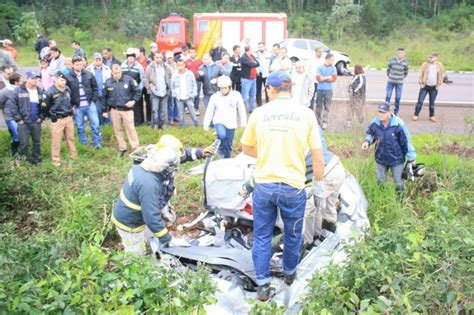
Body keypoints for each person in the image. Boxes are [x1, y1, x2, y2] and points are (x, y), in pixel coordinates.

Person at [240, 71, 325, 301]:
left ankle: (263, 285)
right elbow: (318, 157)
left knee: (262, 236)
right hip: (293, 187)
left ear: (270, 89)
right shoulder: (306, 115)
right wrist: (319, 186)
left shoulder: (259, 113)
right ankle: (288, 274)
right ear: (291, 89)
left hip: (265, 186)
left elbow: (246, 148)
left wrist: (267, 153)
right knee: (292, 234)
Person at [112, 134, 215, 255]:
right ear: (168, 167)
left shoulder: (157, 161)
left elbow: (181, 155)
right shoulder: (149, 183)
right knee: (135, 254)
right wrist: (169, 239)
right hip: (129, 222)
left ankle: (151, 254)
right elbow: (151, 216)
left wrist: (199, 153)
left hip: (141, 214)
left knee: (152, 238)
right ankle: (134, 269)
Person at [362, 101, 416, 197]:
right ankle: (382, 199)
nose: (381, 114)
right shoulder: (375, 123)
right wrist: (367, 141)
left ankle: (400, 202)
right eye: (379, 112)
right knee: (380, 181)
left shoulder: (398, 124)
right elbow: (371, 134)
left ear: (390, 112)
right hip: (381, 158)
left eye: (384, 112)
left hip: (397, 160)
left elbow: (406, 141)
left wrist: (412, 158)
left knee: (399, 183)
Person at [303, 129, 346, 245]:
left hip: (327, 172)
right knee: (326, 207)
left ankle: (307, 242)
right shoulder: (312, 133)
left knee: (308, 207)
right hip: (337, 167)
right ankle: (323, 237)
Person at [203, 75, 246, 159]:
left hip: (231, 123)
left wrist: (243, 121)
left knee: (229, 143)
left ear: (229, 86)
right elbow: (209, 111)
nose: (224, 90)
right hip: (219, 121)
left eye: (225, 88)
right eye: (221, 88)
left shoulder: (236, 95)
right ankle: (220, 151)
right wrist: (206, 123)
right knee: (222, 135)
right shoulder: (215, 97)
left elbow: (241, 109)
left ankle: (227, 157)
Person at [40, 72, 78, 167]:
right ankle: (56, 161)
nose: (63, 82)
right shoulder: (49, 92)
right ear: (55, 79)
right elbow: (44, 107)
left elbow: (70, 101)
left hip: (68, 118)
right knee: (56, 141)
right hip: (57, 119)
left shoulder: (67, 89)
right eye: (61, 80)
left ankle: (73, 156)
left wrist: (71, 109)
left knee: (70, 138)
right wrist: (50, 115)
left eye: (64, 80)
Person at [103, 64, 142, 157]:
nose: (117, 74)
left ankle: (136, 148)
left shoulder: (129, 80)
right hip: (114, 110)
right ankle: (122, 148)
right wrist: (105, 110)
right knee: (117, 129)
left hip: (127, 110)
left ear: (121, 72)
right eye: (115, 73)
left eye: (119, 72)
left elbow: (137, 91)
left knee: (130, 129)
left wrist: (133, 101)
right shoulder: (108, 82)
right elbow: (104, 97)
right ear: (112, 73)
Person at [66, 56, 101, 148]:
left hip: (89, 104)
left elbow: (95, 88)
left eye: (81, 64)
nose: (79, 66)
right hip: (77, 106)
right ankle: (84, 144)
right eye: (77, 65)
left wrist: (93, 100)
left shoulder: (89, 74)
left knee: (95, 124)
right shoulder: (68, 77)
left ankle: (97, 143)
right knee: (80, 126)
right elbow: (66, 93)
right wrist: (71, 105)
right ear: (73, 65)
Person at [10, 71, 43, 164]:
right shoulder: (18, 90)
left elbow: (44, 106)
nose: (35, 80)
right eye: (32, 78)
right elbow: (13, 106)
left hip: (36, 121)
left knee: (37, 142)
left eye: (36, 78)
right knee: (24, 143)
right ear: (27, 79)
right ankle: (25, 160)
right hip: (23, 122)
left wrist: (41, 117)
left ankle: (37, 159)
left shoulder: (39, 90)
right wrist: (18, 119)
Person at [413, 52, 444, 123]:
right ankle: (416, 114)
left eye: (432, 57)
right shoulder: (425, 65)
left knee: (432, 102)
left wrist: (439, 84)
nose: (430, 58)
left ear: (436, 58)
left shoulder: (439, 65)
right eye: (429, 57)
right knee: (420, 101)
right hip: (425, 86)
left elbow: (442, 75)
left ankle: (431, 116)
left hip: (434, 87)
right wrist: (420, 83)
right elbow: (420, 73)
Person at [144, 52, 172, 129]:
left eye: (160, 57)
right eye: (157, 57)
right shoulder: (150, 67)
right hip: (154, 91)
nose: (159, 59)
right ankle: (155, 124)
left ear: (162, 57)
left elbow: (170, 76)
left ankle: (162, 124)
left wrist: (169, 88)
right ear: (154, 58)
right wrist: (149, 89)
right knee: (155, 110)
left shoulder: (166, 67)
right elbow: (146, 79)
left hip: (164, 91)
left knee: (163, 110)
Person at [171, 59, 199, 127]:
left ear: (184, 65)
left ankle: (198, 127)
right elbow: (172, 87)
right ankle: (183, 129)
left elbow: (194, 85)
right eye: (179, 65)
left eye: (182, 65)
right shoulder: (174, 75)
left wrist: (193, 94)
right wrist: (175, 95)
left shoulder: (189, 73)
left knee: (193, 114)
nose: (180, 67)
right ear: (177, 66)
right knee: (180, 115)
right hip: (179, 98)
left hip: (189, 97)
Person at [86, 52, 112, 125]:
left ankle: (107, 127)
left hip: (105, 93)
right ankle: (99, 126)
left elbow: (109, 80)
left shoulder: (107, 68)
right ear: (93, 60)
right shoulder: (88, 69)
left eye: (99, 59)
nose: (98, 61)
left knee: (106, 110)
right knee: (97, 110)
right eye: (96, 60)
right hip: (95, 94)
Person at [121, 48, 145, 126]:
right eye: (129, 56)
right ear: (127, 57)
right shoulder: (122, 65)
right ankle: (128, 122)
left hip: (136, 89)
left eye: (132, 56)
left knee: (137, 106)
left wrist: (139, 89)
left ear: (135, 57)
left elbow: (142, 79)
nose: (130, 58)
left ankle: (138, 122)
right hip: (126, 90)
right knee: (126, 106)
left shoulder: (139, 67)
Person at [0, 72, 22, 156]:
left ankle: (20, 150)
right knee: (17, 133)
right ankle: (14, 152)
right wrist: (6, 110)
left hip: (19, 115)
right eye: (21, 81)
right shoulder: (6, 91)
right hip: (10, 116)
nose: (23, 82)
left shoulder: (21, 89)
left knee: (20, 133)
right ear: (16, 82)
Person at [315, 53, 337, 130]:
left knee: (327, 106)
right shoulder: (320, 67)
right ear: (327, 59)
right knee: (318, 106)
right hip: (320, 89)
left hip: (329, 90)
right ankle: (318, 122)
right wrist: (328, 77)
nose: (333, 61)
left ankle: (325, 122)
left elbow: (334, 79)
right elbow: (318, 79)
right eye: (332, 59)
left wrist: (323, 78)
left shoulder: (333, 68)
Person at [385, 48, 409, 116]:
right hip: (391, 81)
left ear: (404, 54)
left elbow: (406, 72)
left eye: (402, 53)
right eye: (399, 53)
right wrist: (390, 76)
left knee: (398, 97)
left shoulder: (405, 62)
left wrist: (401, 78)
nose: (400, 54)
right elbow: (388, 69)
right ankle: (386, 110)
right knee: (388, 96)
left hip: (399, 83)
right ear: (397, 53)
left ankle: (396, 112)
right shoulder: (392, 60)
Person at [240, 45, 259, 113]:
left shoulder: (252, 56)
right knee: (244, 97)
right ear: (248, 49)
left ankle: (251, 109)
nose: (252, 50)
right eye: (251, 49)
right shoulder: (243, 57)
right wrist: (254, 63)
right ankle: (241, 110)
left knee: (252, 95)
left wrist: (254, 63)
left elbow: (258, 63)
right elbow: (252, 65)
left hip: (253, 78)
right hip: (246, 79)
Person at [184, 47, 203, 112]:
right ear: (189, 53)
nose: (192, 54)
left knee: (196, 94)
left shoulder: (200, 61)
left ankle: (196, 108)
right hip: (188, 81)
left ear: (195, 53)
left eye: (193, 52)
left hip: (197, 80)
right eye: (191, 52)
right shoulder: (186, 62)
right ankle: (188, 107)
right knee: (189, 94)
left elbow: (202, 70)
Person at [255, 42, 270, 106]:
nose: (260, 48)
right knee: (258, 88)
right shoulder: (256, 55)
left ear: (264, 46)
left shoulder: (269, 54)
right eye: (259, 47)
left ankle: (267, 101)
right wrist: (256, 70)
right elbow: (254, 63)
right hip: (259, 74)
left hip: (266, 74)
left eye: (261, 47)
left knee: (267, 88)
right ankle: (259, 102)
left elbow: (271, 63)